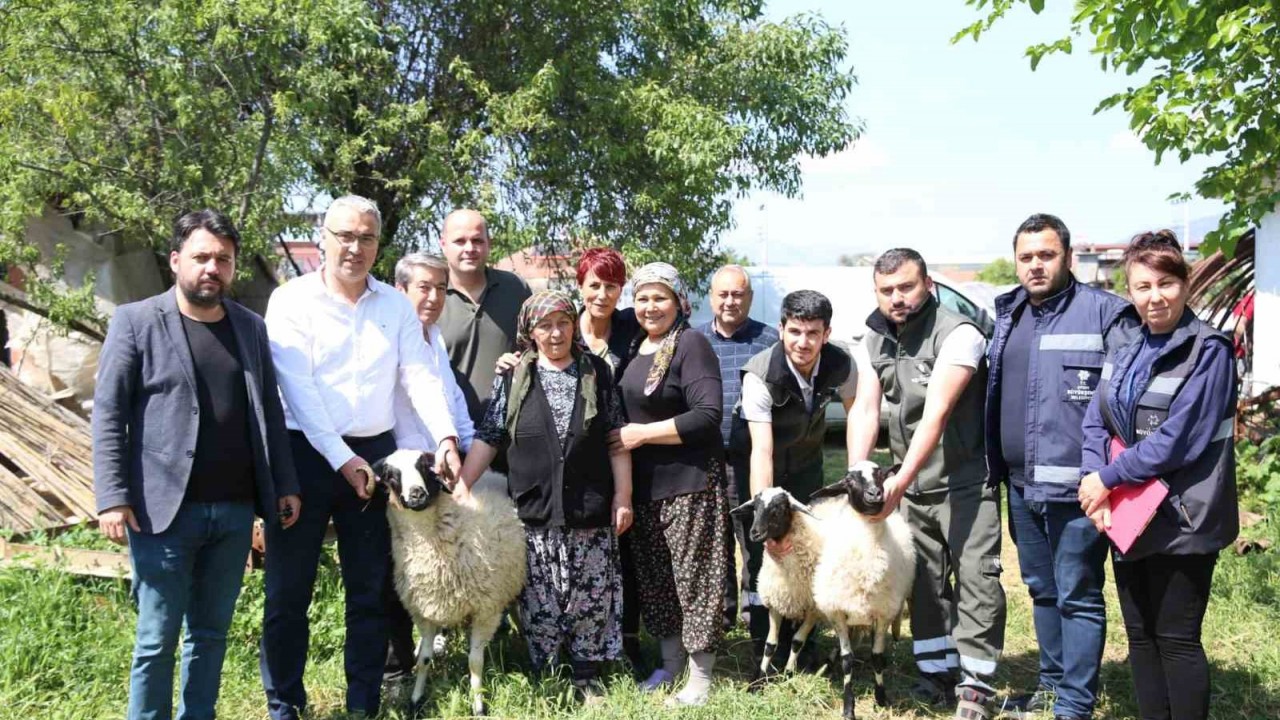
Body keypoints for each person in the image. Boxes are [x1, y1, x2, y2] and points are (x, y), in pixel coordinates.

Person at [259, 195, 462, 720]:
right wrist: (341, 459)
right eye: (344, 236)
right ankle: (285, 704)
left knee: (368, 588)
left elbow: (419, 375)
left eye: (366, 237)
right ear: (323, 238)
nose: (355, 247)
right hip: (303, 455)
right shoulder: (290, 300)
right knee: (288, 592)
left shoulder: (394, 306)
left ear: (378, 244)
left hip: (375, 454)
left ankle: (362, 704)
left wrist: (445, 437)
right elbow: (297, 388)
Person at [92, 209, 301, 720]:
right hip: (162, 512)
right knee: (156, 639)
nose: (213, 268)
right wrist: (113, 497)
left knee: (210, 635)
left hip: (233, 512)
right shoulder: (137, 321)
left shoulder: (249, 327)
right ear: (175, 260)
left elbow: (269, 412)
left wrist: (285, 484)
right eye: (201, 256)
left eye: (223, 259)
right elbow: (109, 413)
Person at [1078, 230, 1238, 720]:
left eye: (1166, 283)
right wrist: (1094, 483)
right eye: (1143, 286)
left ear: (1185, 284)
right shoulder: (1125, 344)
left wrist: (1107, 479)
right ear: (1129, 291)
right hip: (1128, 513)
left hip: (1183, 517)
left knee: (1176, 639)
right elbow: (1096, 420)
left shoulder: (1209, 351)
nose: (1155, 297)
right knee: (1140, 636)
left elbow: (1177, 439)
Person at [986, 214, 1139, 720]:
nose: (1036, 265)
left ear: (1068, 257)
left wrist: (1109, 477)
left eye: (1046, 255)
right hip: (1020, 484)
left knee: (1078, 594)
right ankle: (1051, 688)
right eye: (1026, 257)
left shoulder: (1106, 315)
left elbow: (1127, 401)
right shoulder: (1008, 313)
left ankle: (1075, 703)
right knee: (1042, 590)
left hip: (1080, 489)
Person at [847, 248, 1005, 719]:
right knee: (924, 584)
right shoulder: (872, 337)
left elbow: (936, 414)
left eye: (906, 287)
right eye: (887, 290)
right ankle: (936, 673)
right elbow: (866, 408)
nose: (897, 298)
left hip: (963, 482)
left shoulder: (958, 334)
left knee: (977, 580)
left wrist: (897, 484)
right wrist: (858, 473)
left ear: (928, 285)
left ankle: (975, 686)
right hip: (911, 488)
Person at [458, 290, 633, 702]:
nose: (555, 334)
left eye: (563, 323)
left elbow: (615, 438)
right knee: (541, 599)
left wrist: (623, 495)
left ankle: (587, 675)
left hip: (588, 506)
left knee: (589, 597)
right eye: (545, 325)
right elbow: (490, 435)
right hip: (535, 508)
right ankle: (549, 675)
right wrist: (462, 485)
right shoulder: (514, 375)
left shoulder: (596, 372)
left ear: (574, 326)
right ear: (530, 331)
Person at [613, 262, 728, 707]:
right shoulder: (635, 348)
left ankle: (700, 677)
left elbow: (707, 414)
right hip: (646, 488)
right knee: (658, 581)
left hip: (689, 483)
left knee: (695, 581)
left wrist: (642, 434)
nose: (650, 306)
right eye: (642, 298)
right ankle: (670, 664)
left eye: (660, 297)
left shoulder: (690, 344)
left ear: (679, 301)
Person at [729, 289, 855, 665]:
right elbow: (761, 451)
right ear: (781, 328)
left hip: (806, 468)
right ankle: (764, 650)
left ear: (826, 333)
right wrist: (767, 521)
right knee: (763, 555)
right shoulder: (760, 374)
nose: (803, 342)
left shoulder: (842, 363)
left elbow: (859, 412)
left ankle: (804, 647)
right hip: (759, 467)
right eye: (795, 331)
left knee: (808, 554)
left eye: (813, 333)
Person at [383, 252, 477, 686]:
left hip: (439, 466)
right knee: (397, 569)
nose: (434, 297)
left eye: (441, 288)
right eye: (424, 287)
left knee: (439, 561)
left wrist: (466, 451)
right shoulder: (387, 338)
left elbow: (452, 400)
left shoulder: (434, 337)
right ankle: (395, 668)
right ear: (400, 290)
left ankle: (433, 646)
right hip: (401, 470)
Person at [694, 265, 779, 632]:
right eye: (723, 294)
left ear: (750, 298)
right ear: (711, 297)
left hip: (752, 459)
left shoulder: (770, 340)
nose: (730, 301)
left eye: (738, 294)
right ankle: (724, 616)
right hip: (704, 461)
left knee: (753, 540)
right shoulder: (694, 340)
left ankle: (757, 616)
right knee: (715, 545)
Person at [436, 208, 532, 428]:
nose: (469, 248)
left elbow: (538, 349)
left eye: (477, 240)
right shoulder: (431, 295)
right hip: (446, 431)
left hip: (509, 429)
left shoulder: (515, 289)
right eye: (460, 241)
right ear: (443, 244)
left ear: (489, 243)